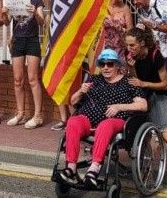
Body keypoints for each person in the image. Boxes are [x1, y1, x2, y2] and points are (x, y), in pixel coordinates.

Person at [58, 48, 148, 189]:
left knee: (105, 126)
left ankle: (93, 170)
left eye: (110, 64)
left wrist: (119, 107)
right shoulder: (94, 80)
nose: (106, 67)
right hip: (88, 119)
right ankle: (71, 168)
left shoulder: (128, 83)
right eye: (102, 64)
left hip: (115, 121)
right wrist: (81, 91)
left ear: (118, 65)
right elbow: (73, 101)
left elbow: (143, 105)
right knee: (73, 121)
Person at [125, 27, 167, 186]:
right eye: (127, 45)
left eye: (132, 45)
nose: (129, 49)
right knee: (143, 136)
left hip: (158, 96)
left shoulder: (156, 55)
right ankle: (145, 167)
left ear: (141, 43)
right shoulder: (131, 57)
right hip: (143, 97)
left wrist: (144, 83)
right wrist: (131, 68)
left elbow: (165, 84)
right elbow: (135, 82)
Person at [127, 0, 167, 131]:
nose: (135, 2)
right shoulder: (142, 10)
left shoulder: (161, 4)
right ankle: (154, 127)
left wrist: (153, 26)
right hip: (152, 55)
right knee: (151, 91)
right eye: (132, 0)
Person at [7, 0, 45, 129]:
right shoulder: (14, 1)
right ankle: (20, 113)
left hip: (32, 40)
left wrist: (35, 12)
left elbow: (42, 22)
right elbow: (5, 22)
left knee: (33, 78)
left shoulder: (36, 0)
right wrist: (3, 12)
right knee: (18, 79)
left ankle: (38, 116)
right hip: (18, 40)